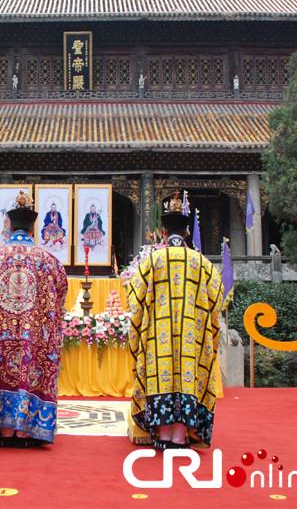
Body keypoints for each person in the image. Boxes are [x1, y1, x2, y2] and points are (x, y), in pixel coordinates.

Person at [0, 190, 68, 447]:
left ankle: (2, 430)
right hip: (33, 339)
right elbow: (61, 295)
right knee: (30, 372)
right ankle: (26, 432)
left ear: (9, 225)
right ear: (33, 228)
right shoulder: (49, 261)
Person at [127, 192, 224, 450]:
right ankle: (181, 434)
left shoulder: (151, 261)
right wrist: (209, 336)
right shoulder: (203, 264)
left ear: (161, 231)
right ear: (188, 231)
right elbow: (217, 304)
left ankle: (162, 432)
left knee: (162, 375)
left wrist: (136, 337)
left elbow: (135, 302)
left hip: (159, 340)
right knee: (187, 377)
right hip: (191, 341)